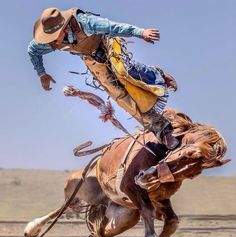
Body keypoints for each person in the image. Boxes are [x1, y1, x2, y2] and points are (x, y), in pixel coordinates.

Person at [28, 7, 178, 149]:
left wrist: (141, 32)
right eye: (50, 38)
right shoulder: (49, 43)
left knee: (123, 71)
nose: (53, 41)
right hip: (90, 57)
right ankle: (162, 131)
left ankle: (157, 75)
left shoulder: (85, 22)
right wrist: (42, 73)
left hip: (106, 41)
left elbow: (114, 27)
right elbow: (32, 51)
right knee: (119, 96)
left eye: (55, 36)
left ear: (65, 27)